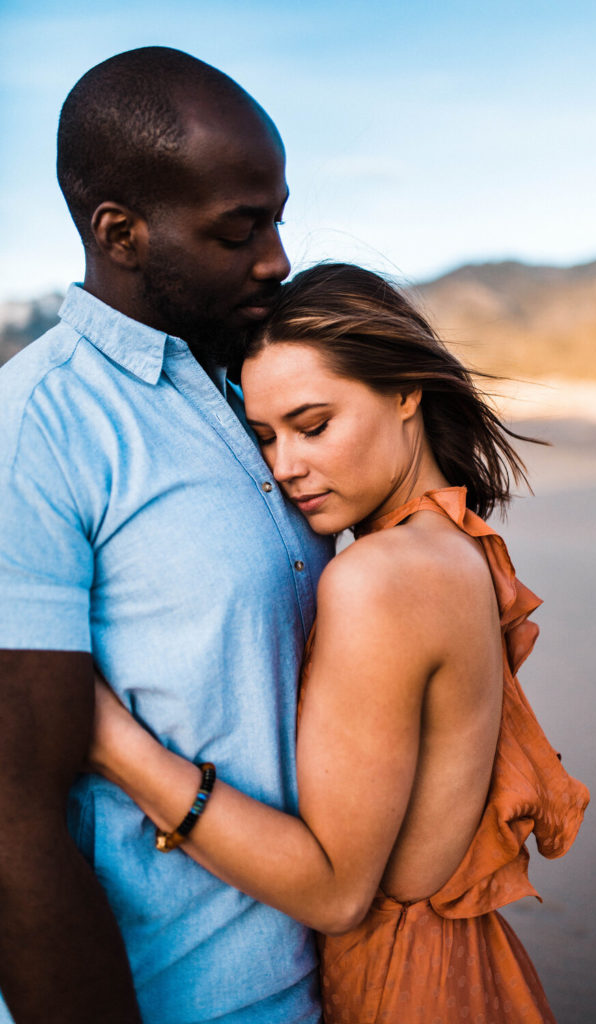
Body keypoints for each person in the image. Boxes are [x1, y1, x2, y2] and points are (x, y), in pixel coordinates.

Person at [88, 262, 590, 1023]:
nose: (286, 466)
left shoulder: (380, 578)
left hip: (405, 984)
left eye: (313, 425)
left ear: (404, 392)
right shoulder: (451, 542)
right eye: (263, 438)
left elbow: (333, 891)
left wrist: (114, 746)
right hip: (459, 961)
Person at [0, 48, 332, 1024]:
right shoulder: (36, 429)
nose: (274, 256)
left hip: (336, 971)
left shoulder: (264, 389)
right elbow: (13, 816)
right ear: (121, 232)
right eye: (240, 229)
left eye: (276, 216)